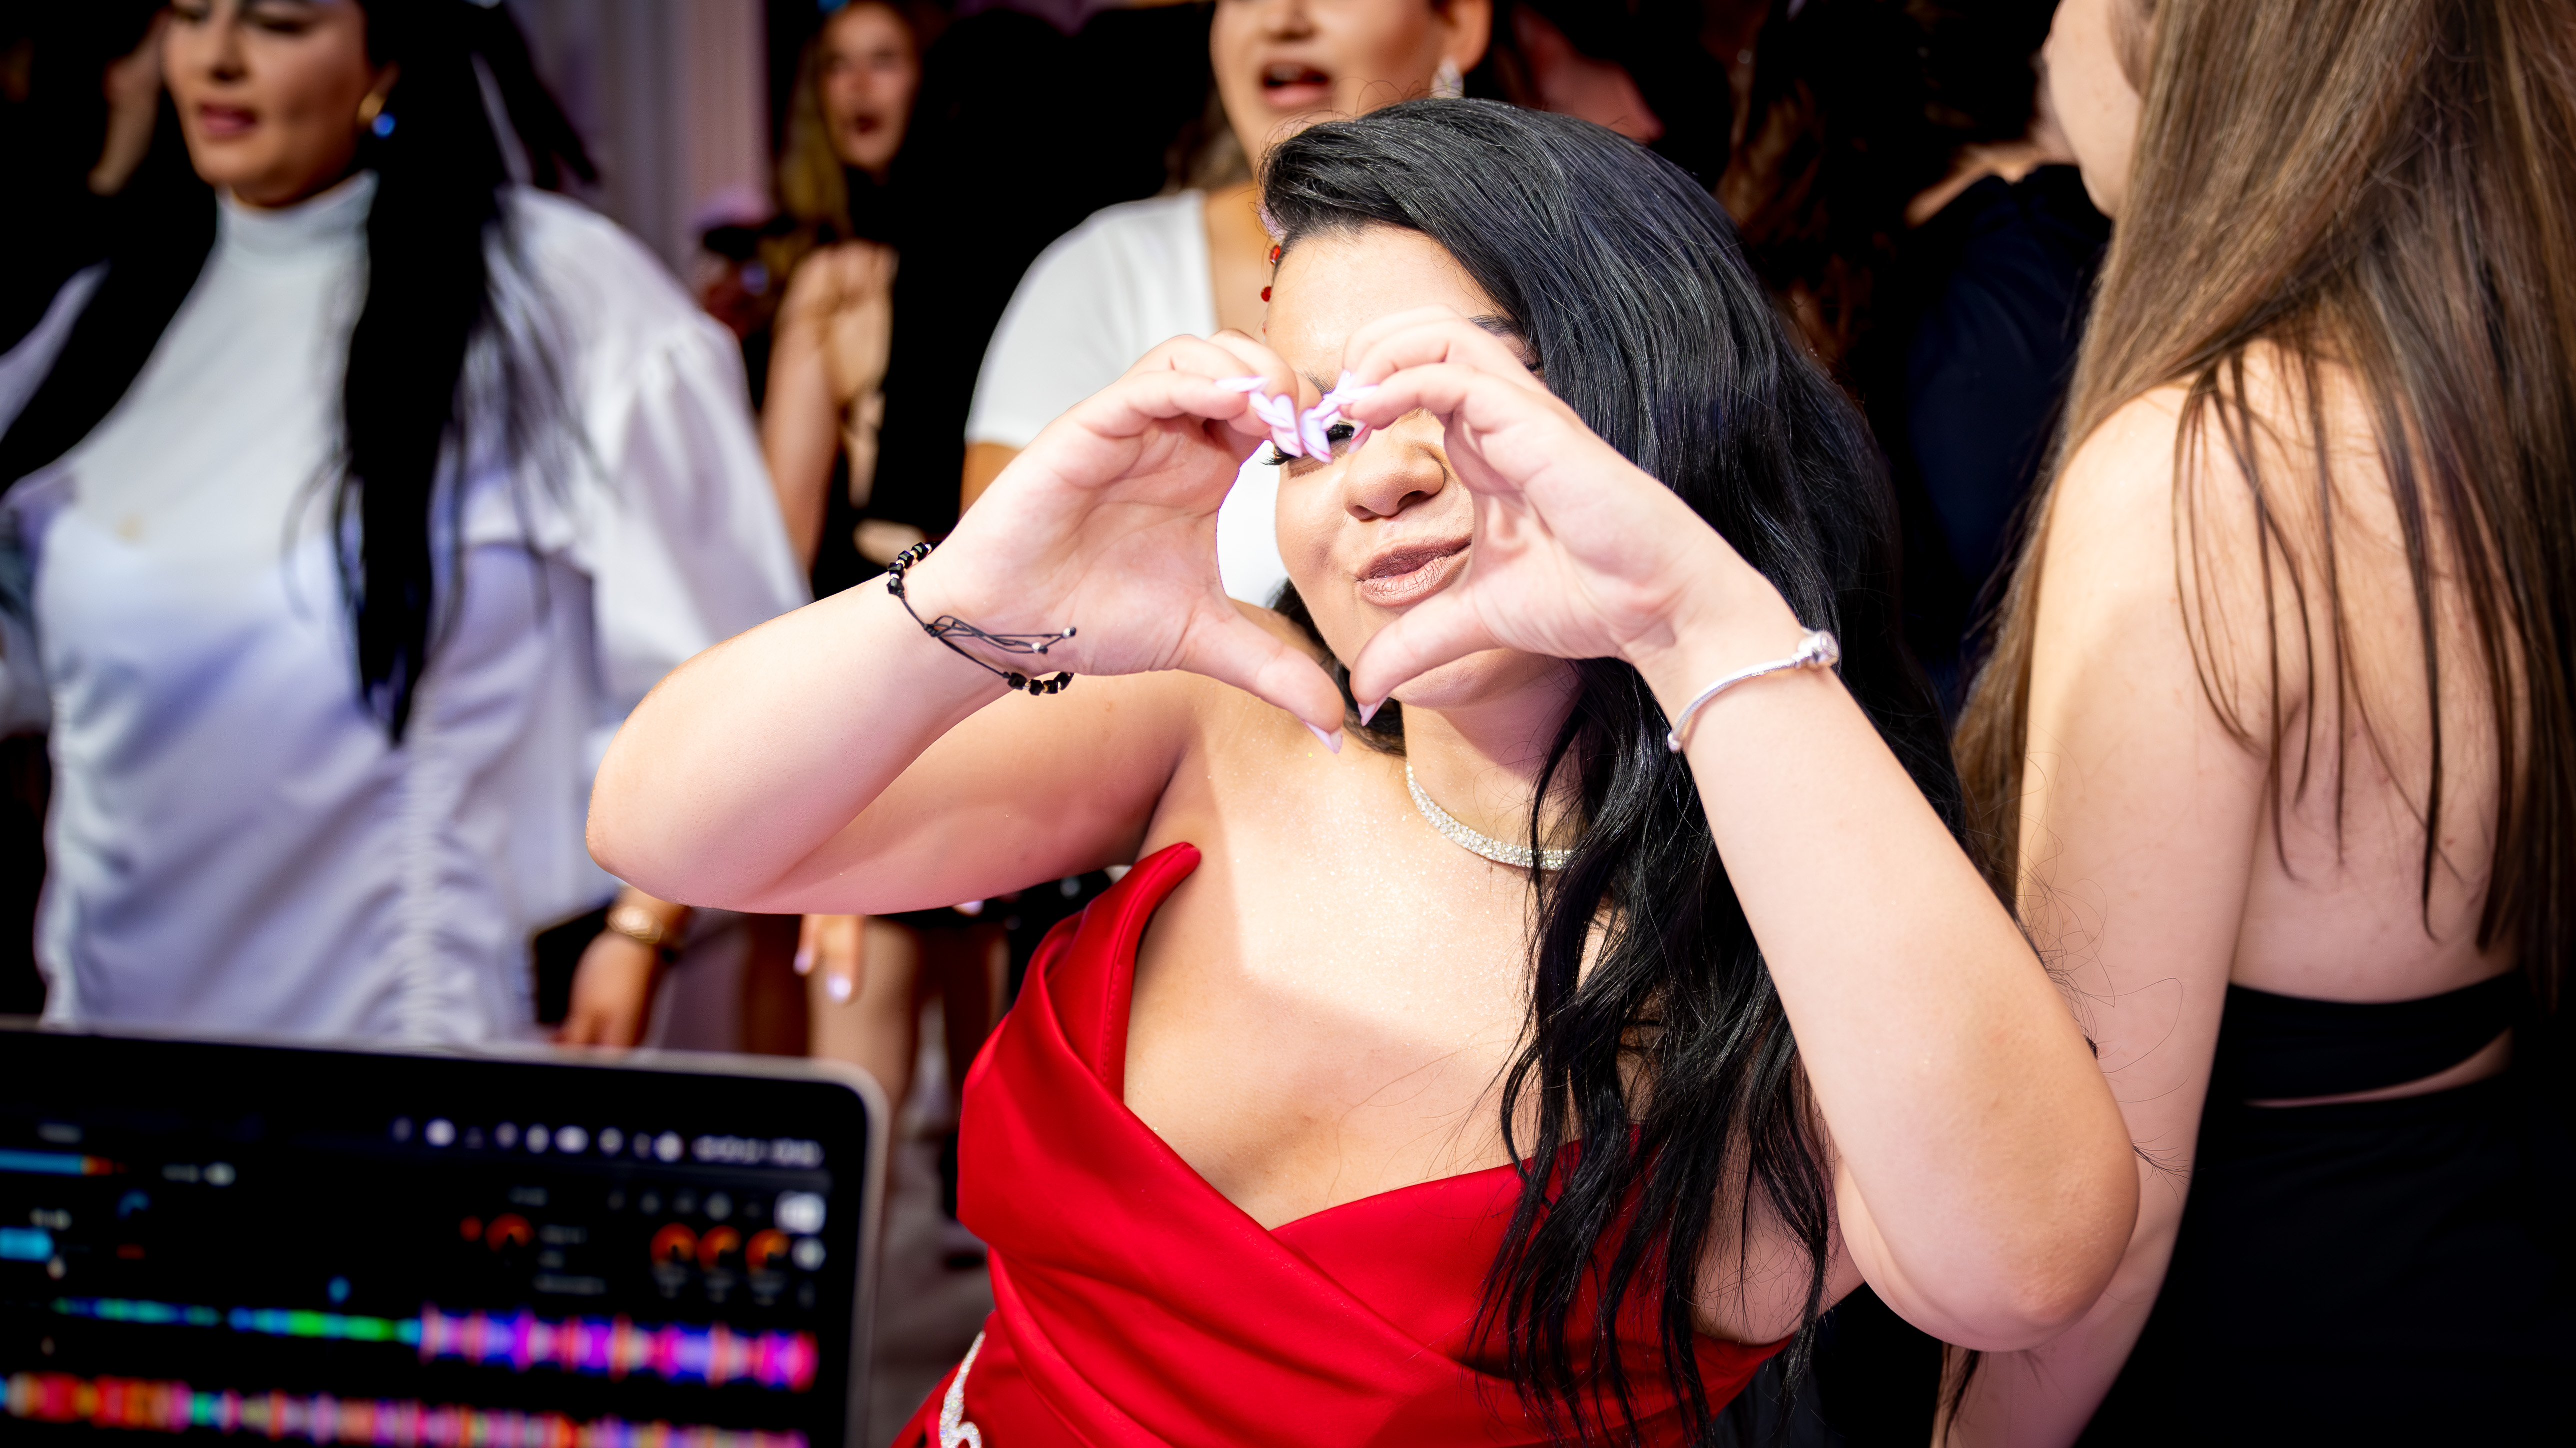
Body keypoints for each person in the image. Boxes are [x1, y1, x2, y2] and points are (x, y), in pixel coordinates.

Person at [592, 101, 2138, 1443]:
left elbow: (2025, 1264)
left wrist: (1697, 623)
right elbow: (665, 826)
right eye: (1317, 430)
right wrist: (974, 599)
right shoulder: (1217, 730)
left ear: (1652, 388)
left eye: (1457, 396)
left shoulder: (1799, 931)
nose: (1377, 475)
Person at [1943, 0, 2576, 1441]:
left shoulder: (2205, 469)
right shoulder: (2500, 403)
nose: (2047, 31)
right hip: (2484, 1282)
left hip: (2253, 1352)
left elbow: (2097, 1214)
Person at [0, 0, 804, 1044]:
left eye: (277, 21)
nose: (218, 59)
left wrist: (640, 929)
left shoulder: (555, 297)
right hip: (121, 1035)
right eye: (192, 13)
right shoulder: (104, 322)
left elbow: (736, 666)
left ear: (384, 60)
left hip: (427, 1037)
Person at [956, 0, 1494, 609]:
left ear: (1458, 22)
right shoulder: (1107, 271)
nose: (1281, 18)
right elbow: (997, 605)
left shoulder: (1557, 249)